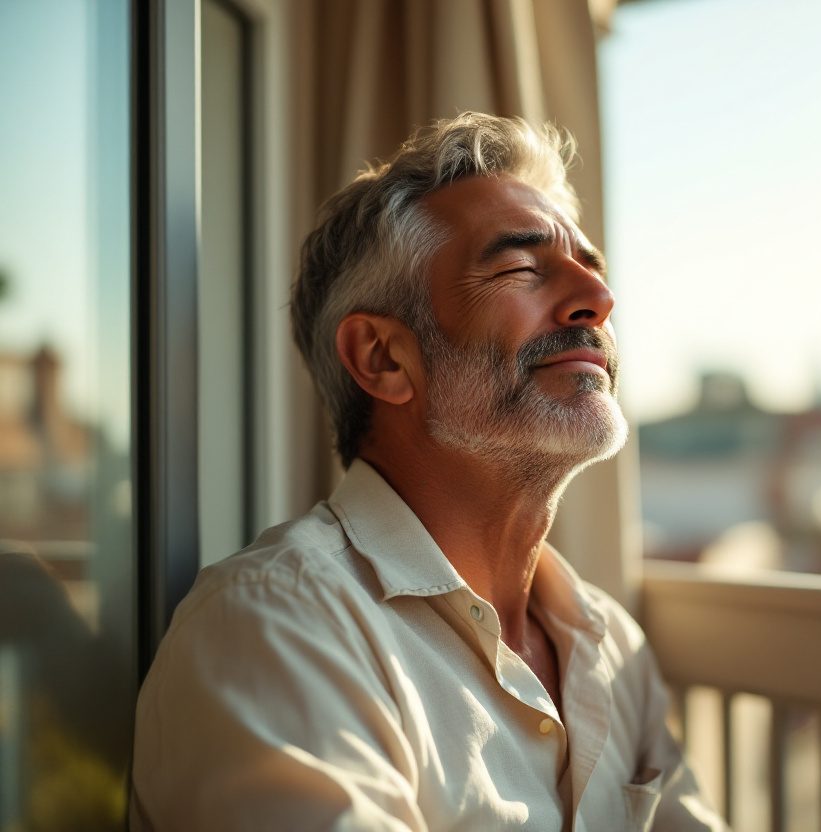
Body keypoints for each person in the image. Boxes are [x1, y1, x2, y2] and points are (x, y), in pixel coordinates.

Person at [130, 112, 726, 831]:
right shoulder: (274, 626)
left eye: (592, 270)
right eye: (519, 267)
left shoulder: (610, 643)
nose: (598, 302)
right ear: (383, 358)